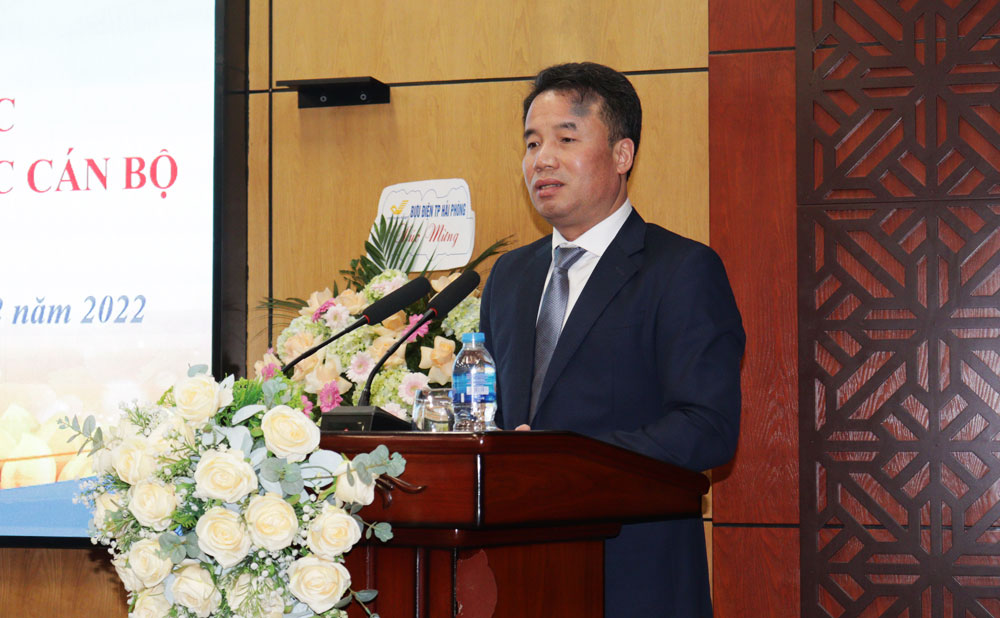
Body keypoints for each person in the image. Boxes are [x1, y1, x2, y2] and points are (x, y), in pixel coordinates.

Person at [479, 62, 745, 617]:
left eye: (565, 138)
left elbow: (707, 428)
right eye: (532, 143)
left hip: (635, 575)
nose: (541, 159)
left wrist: (564, 458)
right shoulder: (510, 275)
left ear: (622, 154)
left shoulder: (680, 269)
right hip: (519, 575)